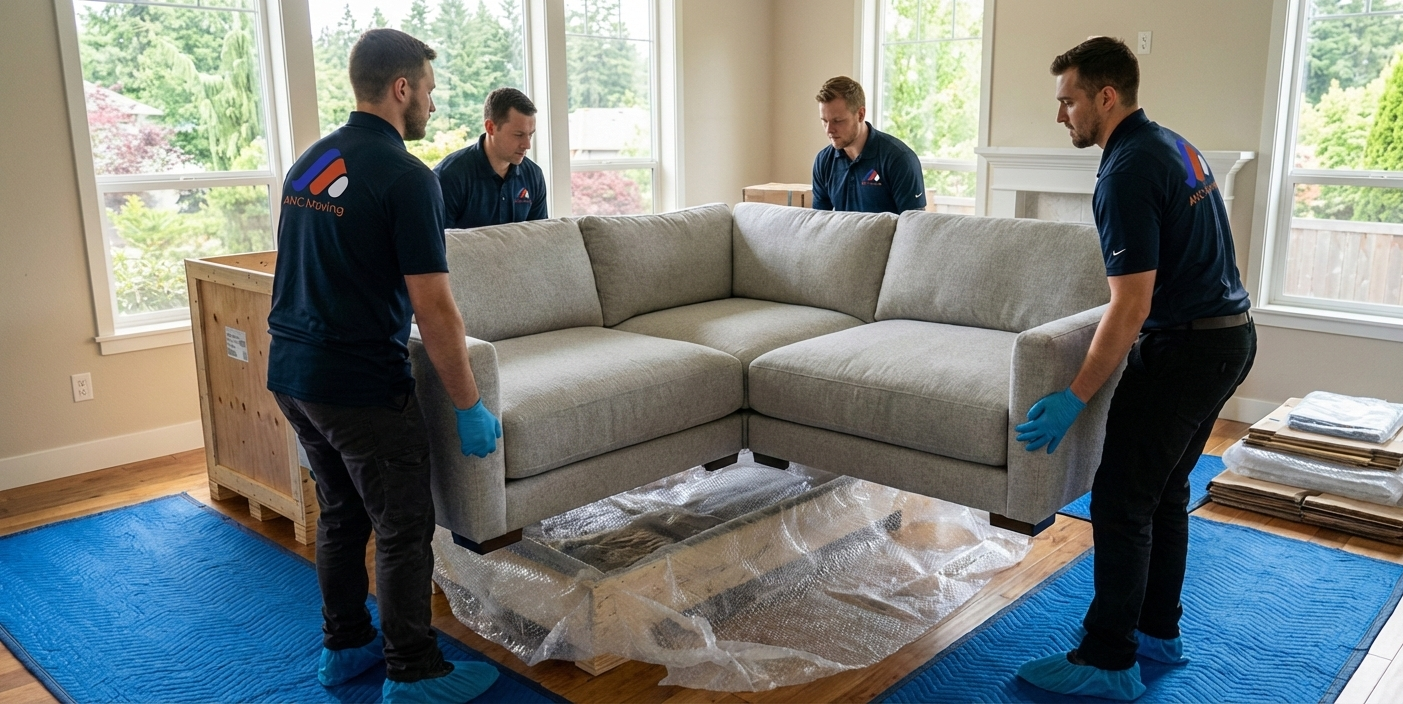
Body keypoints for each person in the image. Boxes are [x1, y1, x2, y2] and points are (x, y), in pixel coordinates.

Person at [1013, 37, 1255, 701]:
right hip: (1229, 337)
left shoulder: (1122, 171)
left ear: (1105, 96)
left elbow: (1129, 307)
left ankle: (1107, 659)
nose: (1060, 115)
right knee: (1165, 492)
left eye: (1067, 100)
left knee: (1119, 501)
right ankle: (1157, 632)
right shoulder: (1174, 144)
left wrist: (1073, 396)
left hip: (1185, 351)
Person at [266, 28, 503, 704]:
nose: (430, 103)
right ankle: (412, 669)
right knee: (402, 528)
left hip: (291, 373)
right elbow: (434, 308)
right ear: (401, 89)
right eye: (427, 90)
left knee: (342, 515)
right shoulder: (406, 176)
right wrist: (467, 405)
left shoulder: (312, 161)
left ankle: (345, 647)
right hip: (359, 384)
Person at [810, 76, 926, 214]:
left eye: (838, 121)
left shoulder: (899, 159)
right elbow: (820, 223)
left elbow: (914, 227)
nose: (829, 130)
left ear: (860, 114)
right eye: (824, 121)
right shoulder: (823, 161)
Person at [433, 87, 547, 229]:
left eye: (530, 135)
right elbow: (440, 243)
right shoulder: (449, 176)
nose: (527, 145)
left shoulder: (534, 175)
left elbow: (539, 239)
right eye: (518, 135)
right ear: (490, 127)